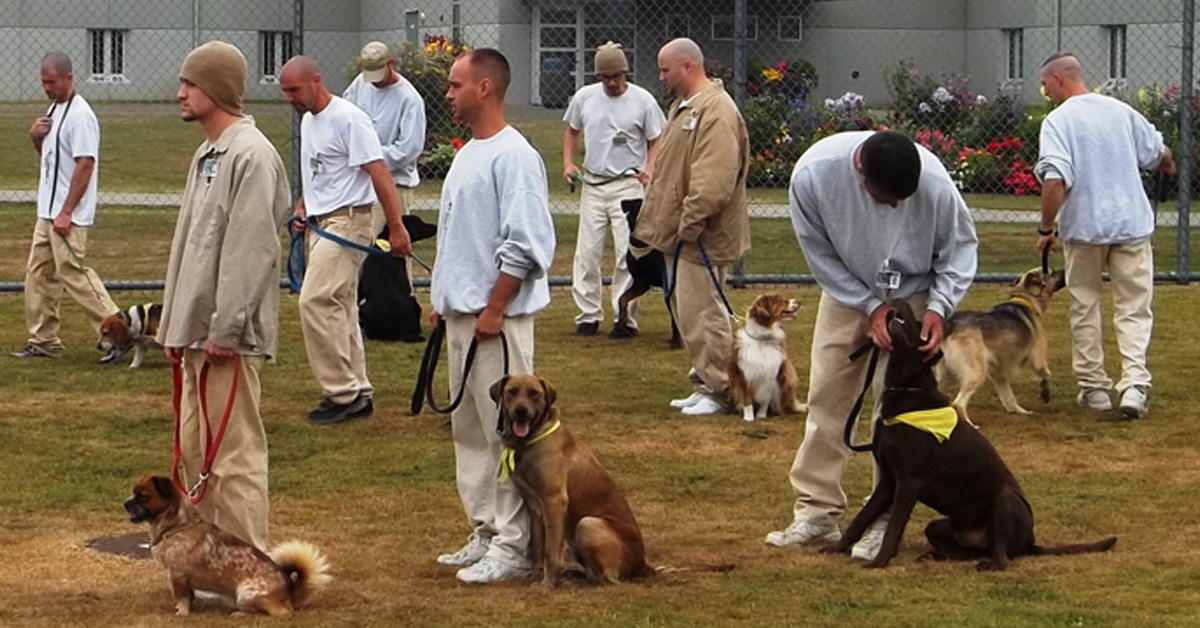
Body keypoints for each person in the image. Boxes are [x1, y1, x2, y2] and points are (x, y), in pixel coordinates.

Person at [765, 130, 978, 560]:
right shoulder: (813, 176)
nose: (897, 208)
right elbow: (819, 254)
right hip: (846, 292)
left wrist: (938, 309)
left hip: (916, 294)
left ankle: (882, 517)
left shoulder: (935, 184)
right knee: (827, 396)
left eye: (903, 199)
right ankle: (817, 512)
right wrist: (867, 306)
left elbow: (959, 250)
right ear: (860, 170)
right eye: (886, 199)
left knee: (900, 409)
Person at [157, 41, 291, 551]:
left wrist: (225, 329)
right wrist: (174, 324)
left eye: (189, 84)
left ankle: (247, 564)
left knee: (233, 457)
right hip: (195, 332)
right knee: (197, 452)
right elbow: (189, 246)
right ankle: (212, 565)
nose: (180, 94)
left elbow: (250, 251)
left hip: (226, 338)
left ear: (216, 89)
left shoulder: (252, 156)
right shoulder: (207, 153)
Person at [431, 48, 555, 584]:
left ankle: (516, 543)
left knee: (510, 432)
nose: (449, 94)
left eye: (456, 84)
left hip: (494, 322)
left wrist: (494, 308)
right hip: (465, 317)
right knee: (470, 433)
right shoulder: (468, 154)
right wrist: (446, 303)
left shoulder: (515, 156)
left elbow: (526, 245)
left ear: (485, 88)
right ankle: (485, 529)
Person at [1035, 53, 1175, 419]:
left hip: (1085, 227)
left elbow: (1054, 180)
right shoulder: (1120, 111)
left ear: (1058, 79)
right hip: (1130, 223)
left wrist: (1046, 229)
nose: (1045, 91)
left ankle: (1094, 387)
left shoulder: (1058, 122)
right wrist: (1168, 166)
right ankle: (1133, 387)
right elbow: (1159, 153)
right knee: (1134, 305)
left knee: (1085, 304)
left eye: (1045, 84)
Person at [279, 56, 413, 426]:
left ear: (316, 81)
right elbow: (317, 171)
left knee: (316, 300)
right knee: (338, 304)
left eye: (294, 89)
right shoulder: (309, 121)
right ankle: (358, 390)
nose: (289, 98)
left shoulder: (349, 118)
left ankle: (341, 392)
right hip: (322, 222)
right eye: (285, 92)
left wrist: (397, 227)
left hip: (350, 220)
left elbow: (380, 173)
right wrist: (305, 206)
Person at [635, 38, 750, 416]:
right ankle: (705, 380)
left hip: (702, 235)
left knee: (705, 311)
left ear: (688, 66)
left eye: (666, 69)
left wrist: (690, 222)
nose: (661, 76)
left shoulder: (715, 111)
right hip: (682, 235)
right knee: (689, 311)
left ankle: (722, 389)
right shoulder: (684, 108)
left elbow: (713, 180)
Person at [13, 51, 119, 360]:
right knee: (39, 275)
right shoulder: (55, 110)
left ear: (69, 78)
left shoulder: (80, 116)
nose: (46, 87)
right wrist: (35, 138)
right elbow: (50, 160)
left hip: (65, 216)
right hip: (47, 214)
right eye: (43, 81)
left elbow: (85, 164)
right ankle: (44, 340)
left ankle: (119, 332)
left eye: (52, 81)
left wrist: (67, 212)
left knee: (73, 273)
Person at [563, 41, 666, 338]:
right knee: (587, 252)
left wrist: (649, 169)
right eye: (604, 77)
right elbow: (572, 130)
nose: (610, 83)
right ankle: (588, 315)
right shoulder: (585, 98)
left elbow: (656, 138)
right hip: (594, 183)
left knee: (627, 254)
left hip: (629, 185)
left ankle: (625, 318)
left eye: (616, 77)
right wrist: (569, 163)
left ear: (625, 73)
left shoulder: (643, 101)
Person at [342, 41, 427, 238]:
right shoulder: (360, 84)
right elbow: (345, 118)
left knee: (388, 250)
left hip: (394, 184)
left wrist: (371, 159)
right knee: (361, 243)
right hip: (363, 182)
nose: (374, 81)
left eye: (378, 73)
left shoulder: (409, 99)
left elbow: (408, 149)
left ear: (391, 64)